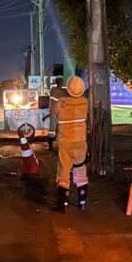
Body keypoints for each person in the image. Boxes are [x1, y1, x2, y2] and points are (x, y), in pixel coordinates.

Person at [54, 76, 89, 212]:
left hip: (65, 143)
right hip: (80, 142)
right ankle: (82, 202)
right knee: (80, 169)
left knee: (63, 172)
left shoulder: (61, 103)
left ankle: (62, 204)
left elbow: (56, 114)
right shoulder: (85, 102)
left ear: (67, 88)